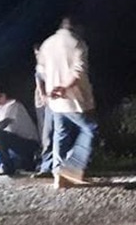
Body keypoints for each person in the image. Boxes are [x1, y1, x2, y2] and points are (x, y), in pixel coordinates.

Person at [37, 17, 98, 187]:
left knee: (60, 134)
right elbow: (78, 71)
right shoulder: (77, 43)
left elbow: (40, 70)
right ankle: (72, 168)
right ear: (75, 27)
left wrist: (50, 89)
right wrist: (64, 86)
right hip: (74, 98)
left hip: (54, 98)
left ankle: (58, 174)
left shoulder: (47, 43)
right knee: (90, 130)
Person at [0, 83, 40, 177]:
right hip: (14, 145)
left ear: (2, 95)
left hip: (28, 145)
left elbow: (2, 125)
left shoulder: (13, 105)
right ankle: (14, 164)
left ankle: (8, 167)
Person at [32, 44, 54, 178]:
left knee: (50, 134)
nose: (37, 56)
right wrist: (42, 96)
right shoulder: (39, 67)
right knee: (44, 135)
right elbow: (39, 83)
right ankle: (46, 165)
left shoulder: (52, 65)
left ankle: (50, 165)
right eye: (35, 54)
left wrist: (45, 95)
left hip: (52, 103)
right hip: (41, 103)